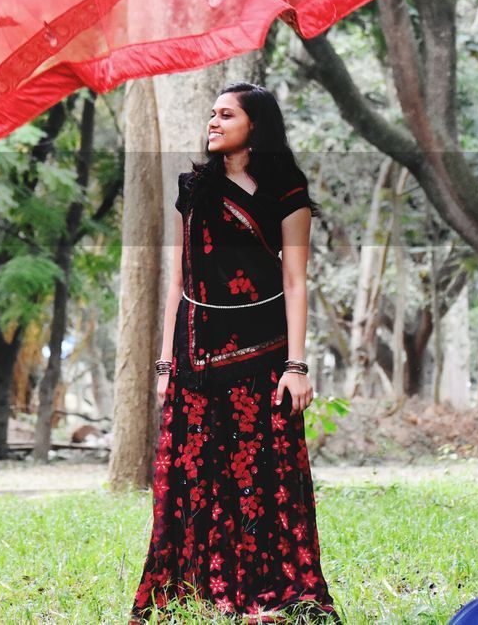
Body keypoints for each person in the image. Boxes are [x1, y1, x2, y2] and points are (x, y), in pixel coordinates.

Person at [130, 82, 341, 624]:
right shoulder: (194, 187)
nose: (213, 122)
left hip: (263, 353)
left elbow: (296, 281)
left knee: (259, 475)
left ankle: (270, 592)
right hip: (195, 357)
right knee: (196, 474)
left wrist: (297, 367)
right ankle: (201, 590)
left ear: (256, 125)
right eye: (212, 113)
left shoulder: (285, 191)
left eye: (227, 114)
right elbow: (178, 279)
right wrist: (163, 364)